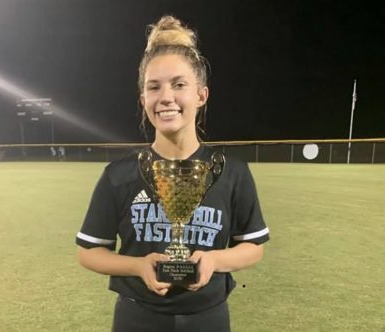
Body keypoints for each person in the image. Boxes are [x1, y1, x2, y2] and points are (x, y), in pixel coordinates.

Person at [76, 15, 269, 332]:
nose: (166, 97)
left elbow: (253, 248)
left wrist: (214, 260)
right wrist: (138, 266)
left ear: (201, 95)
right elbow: (89, 253)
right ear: (144, 100)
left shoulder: (230, 172)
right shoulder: (119, 174)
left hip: (208, 318)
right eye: (154, 87)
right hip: (137, 318)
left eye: (179, 85)